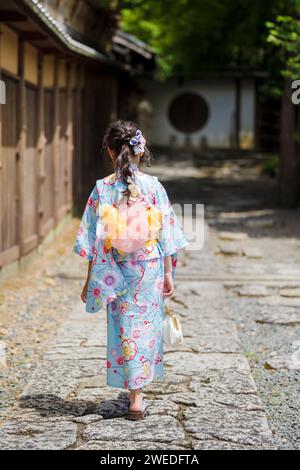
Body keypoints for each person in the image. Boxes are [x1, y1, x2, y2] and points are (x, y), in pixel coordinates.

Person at [73, 120, 188, 420]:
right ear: (139, 151)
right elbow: (166, 233)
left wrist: (90, 280)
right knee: (146, 328)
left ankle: (132, 391)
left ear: (110, 151)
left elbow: (94, 240)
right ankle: (137, 396)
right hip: (148, 266)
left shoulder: (102, 188)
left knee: (124, 329)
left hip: (115, 268)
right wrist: (168, 272)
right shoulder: (153, 187)